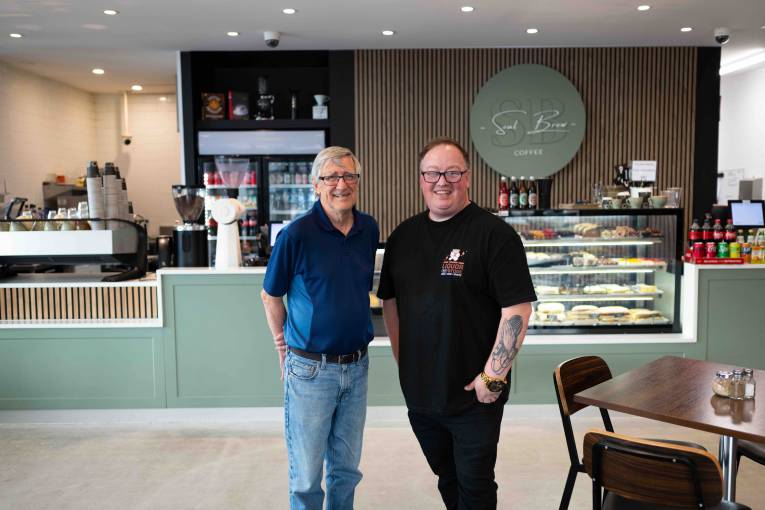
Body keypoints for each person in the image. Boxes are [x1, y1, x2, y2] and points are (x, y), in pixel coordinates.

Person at [377, 137, 536, 509]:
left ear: (467, 177)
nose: (442, 181)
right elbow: (391, 305)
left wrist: (493, 376)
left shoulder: (495, 235)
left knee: (475, 484)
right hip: (421, 395)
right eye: (432, 173)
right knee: (446, 476)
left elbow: (517, 309)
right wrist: (407, 367)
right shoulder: (403, 237)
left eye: (452, 172)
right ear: (421, 179)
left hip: (474, 395)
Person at [260, 146, 379, 510]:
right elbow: (270, 295)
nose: (341, 184)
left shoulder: (368, 228)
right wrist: (283, 348)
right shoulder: (296, 235)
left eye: (348, 176)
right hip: (310, 370)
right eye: (331, 177)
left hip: (357, 367)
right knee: (307, 477)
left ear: (358, 181)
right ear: (316, 185)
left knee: (346, 470)